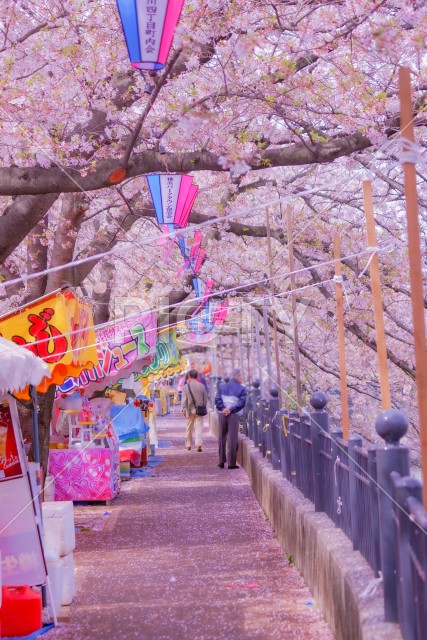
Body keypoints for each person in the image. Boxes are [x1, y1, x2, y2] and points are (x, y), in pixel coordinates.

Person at [215, 369, 247, 469]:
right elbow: (242, 403)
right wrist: (231, 409)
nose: (242, 378)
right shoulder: (242, 389)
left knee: (222, 436)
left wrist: (223, 408)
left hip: (222, 413)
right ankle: (231, 463)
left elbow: (217, 399)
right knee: (232, 438)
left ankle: (221, 461)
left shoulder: (222, 387)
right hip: (233, 414)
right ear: (237, 377)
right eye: (241, 376)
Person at [181, 369, 208, 452]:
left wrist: (183, 411)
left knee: (189, 428)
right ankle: (198, 444)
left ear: (189, 376)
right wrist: (203, 407)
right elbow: (205, 399)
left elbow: (184, 401)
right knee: (199, 427)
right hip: (200, 410)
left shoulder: (186, 387)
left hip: (190, 410)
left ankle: (188, 444)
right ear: (197, 376)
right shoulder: (202, 386)